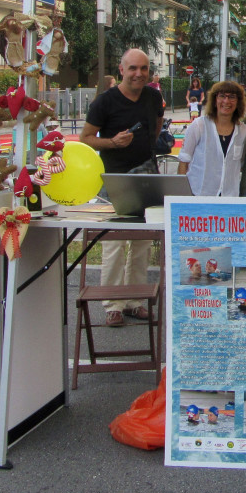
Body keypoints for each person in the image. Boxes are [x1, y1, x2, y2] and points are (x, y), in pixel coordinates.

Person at [80, 48, 164, 328]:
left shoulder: (153, 96)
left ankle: (134, 301)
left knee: (141, 243)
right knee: (115, 243)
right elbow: (86, 139)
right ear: (121, 70)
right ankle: (112, 304)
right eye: (133, 69)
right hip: (114, 179)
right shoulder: (104, 102)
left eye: (144, 68)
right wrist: (112, 143)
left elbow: (157, 126)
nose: (139, 73)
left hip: (146, 177)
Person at [177, 81, 246, 196]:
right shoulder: (199, 125)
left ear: (238, 102)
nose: (226, 101)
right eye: (222, 96)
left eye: (232, 97)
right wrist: (182, 196)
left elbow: (241, 164)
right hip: (199, 194)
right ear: (215, 100)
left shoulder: (243, 130)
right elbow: (184, 161)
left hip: (229, 197)